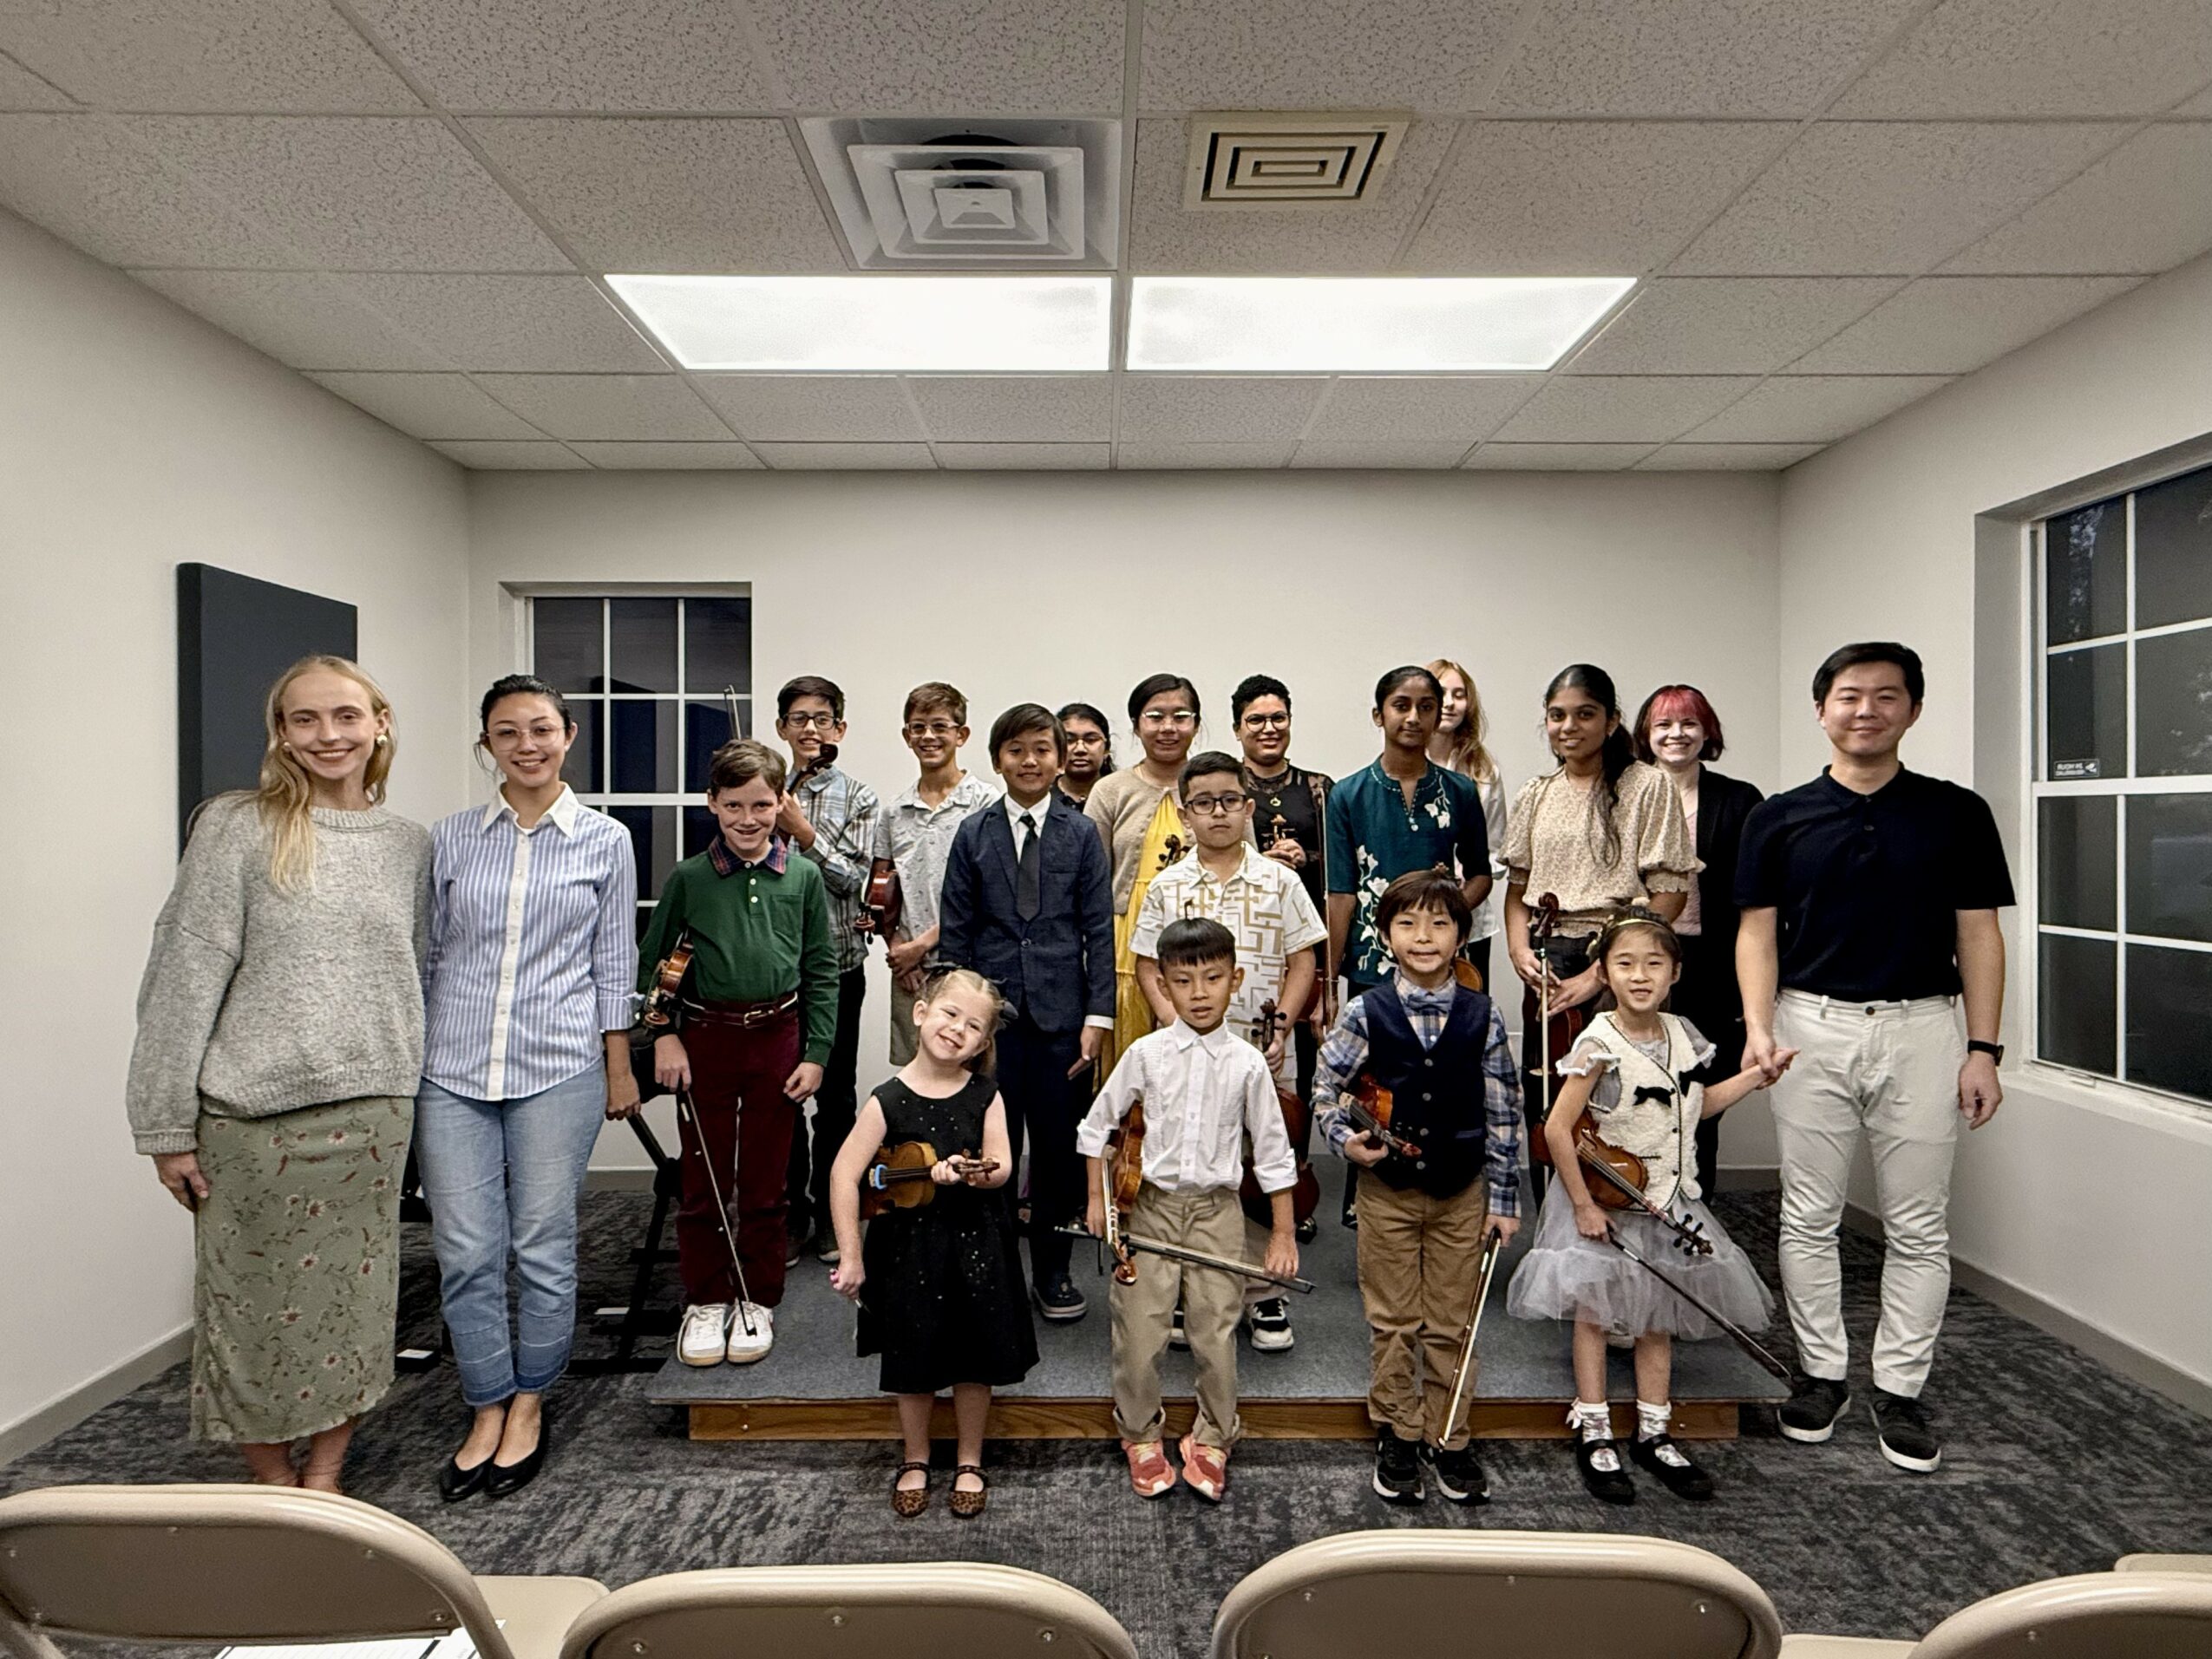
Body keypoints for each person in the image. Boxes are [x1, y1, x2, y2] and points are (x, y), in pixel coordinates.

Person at [126, 656, 430, 1492]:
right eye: (305, 719)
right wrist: (163, 1123)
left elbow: (413, 971)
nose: (328, 735)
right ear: (282, 734)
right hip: (253, 1121)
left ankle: (325, 1472)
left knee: (353, 1308)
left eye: (345, 716)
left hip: (371, 1115)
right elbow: (181, 976)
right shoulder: (236, 826)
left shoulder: (407, 845)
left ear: (379, 723)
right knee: (251, 1309)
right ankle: (271, 1477)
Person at [1737, 642, 2012, 1475]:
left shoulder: (1956, 812)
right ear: (1821, 709)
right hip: (1808, 1026)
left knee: (1919, 1224)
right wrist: (1758, 1026)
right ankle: (1822, 1375)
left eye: (1886, 696)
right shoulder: (1778, 817)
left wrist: (1984, 1048)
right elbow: (1756, 933)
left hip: (1924, 1027)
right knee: (1807, 1215)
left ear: (1913, 710)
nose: (1867, 710)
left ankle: (1900, 1388)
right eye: (1850, 696)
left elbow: (1979, 934)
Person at [417, 675, 638, 1501]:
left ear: (568, 735)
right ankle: (485, 1401)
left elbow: (614, 960)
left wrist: (619, 1065)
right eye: (507, 732)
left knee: (542, 1243)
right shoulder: (448, 839)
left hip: (559, 1064)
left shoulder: (605, 839)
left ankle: (530, 1401)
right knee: (466, 1250)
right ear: (487, 745)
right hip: (452, 1068)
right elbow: (428, 955)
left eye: (541, 728)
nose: (526, 745)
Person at [1508, 909, 1788, 1506]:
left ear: (1675, 973)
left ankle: (1654, 1429)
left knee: (1657, 1315)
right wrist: (1582, 1205)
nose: (1640, 976)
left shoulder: (1684, 1034)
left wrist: (1754, 1079)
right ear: (1605, 973)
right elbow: (1557, 1129)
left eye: (1654, 964)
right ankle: (1594, 1425)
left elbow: (1699, 1106)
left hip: (1667, 1196)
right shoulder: (1598, 1041)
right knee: (1594, 1313)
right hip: (1607, 1199)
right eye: (1626, 964)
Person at [1314, 870, 1522, 1508]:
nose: (1424, 936)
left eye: (1439, 923)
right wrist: (1345, 1140)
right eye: (1407, 923)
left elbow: (1504, 1111)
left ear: (1461, 936)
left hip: (1463, 1190)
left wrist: (1504, 1200)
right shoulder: (1365, 1011)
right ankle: (1399, 1431)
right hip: (1388, 1192)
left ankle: (1449, 1434)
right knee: (1394, 1318)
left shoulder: (1484, 1015)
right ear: (1385, 936)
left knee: (1453, 1320)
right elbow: (1326, 1090)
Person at [1078, 918, 1299, 1504]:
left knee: (1215, 1330)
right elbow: (1095, 1129)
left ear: (1236, 979)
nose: (1199, 993)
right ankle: (1139, 1433)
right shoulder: (1145, 1054)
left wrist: (1282, 1233)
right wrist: (1098, 1199)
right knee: (1140, 1330)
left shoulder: (1248, 1063)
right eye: (1183, 980)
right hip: (1149, 1206)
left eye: (1213, 978)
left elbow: (1274, 1153)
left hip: (1217, 1210)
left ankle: (1214, 1436)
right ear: (1163, 985)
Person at [643, 739, 834, 1368]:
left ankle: (757, 1296)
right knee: (703, 1182)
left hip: (778, 1038)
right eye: (733, 806)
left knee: (766, 1182)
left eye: (761, 805)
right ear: (712, 804)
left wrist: (816, 1052)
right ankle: (705, 1298)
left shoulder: (803, 876)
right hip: (706, 1040)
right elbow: (653, 966)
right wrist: (663, 1034)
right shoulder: (689, 878)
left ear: (782, 803)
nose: (748, 819)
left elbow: (821, 969)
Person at [1131, 750, 1325, 1355]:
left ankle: (1266, 1293)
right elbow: (1147, 966)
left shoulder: (1281, 880)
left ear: (1248, 806)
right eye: (1203, 803)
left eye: (1229, 800)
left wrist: (1282, 1026)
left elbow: (1303, 961)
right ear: (1185, 812)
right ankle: (1192, 1288)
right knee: (1192, 1171)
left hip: (1263, 1049)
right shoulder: (1168, 885)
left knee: (1264, 1169)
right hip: (1185, 1058)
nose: (1218, 812)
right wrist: (1176, 1031)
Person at [828, 969, 1036, 1519]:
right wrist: (851, 1254)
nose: (957, 1029)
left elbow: (1002, 1165)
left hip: (975, 1247)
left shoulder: (986, 1095)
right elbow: (844, 1174)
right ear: (920, 1014)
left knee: (974, 1359)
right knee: (912, 1357)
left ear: (983, 1043)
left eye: (973, 1026)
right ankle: (915, 1457)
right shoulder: (887, 1099)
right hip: (907, 1252)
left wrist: (971, 1174)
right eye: (949, 1014)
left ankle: (970, 1459)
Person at [939, 704, 1116, 1323]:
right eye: (1016, 750)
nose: (1030, 761)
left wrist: (1098, 1018)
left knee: (1060, 1152)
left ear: (1060, 758)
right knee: (990, 1151)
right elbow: (956, 935)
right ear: (997, 760)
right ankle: (992, 1274)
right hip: (992, 1027)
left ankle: (1054, 1271)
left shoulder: (1081, 833)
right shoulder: (972, 833)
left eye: (1042, 749)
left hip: (1064, 1023)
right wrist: (959, 1025)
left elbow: (1099, 930)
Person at [1502, 665, 1698, 1209]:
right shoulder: (1536, 793)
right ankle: (1557, 1226)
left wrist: (1600, 973)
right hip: (1549, 956)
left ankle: (1629, 1214)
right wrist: (1518, 949)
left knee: (1622, 1098)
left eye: (1585, 714)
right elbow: (1517, 889)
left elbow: (1669, 892)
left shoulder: (1648, 785)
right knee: (1549, 1095)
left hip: (1622, 958)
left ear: (1611, 721)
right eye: (1557, 716)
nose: (1569, 727)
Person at [1325, 666, 1492, 1225]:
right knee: (1371, 1082)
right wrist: (1329, 979)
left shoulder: (1461, 791)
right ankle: (1366, 1192)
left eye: (1426, 706)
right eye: (1401, 705)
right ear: (1379, 715)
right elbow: (1341, 890)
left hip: (1439, 963)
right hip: (1371, 961)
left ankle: (1445, 1191)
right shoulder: (1347, 793)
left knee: (1440, 1078)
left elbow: (1482, 873)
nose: (1414, 717)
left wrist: (1448, 917)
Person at [1633, 683, 1764, 1201]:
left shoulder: (1740, 800)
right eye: (1663, 724)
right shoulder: (1625, 793)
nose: (1676, 734)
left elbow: (1757, 899)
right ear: (1646, 734)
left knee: (1700, 1098)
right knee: (1636, 1094)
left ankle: (1695, 1207)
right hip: (1639, 963)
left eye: (1689, 723)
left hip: (1712, 967)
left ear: (1707, 732)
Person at [772, 676, 880, 1267]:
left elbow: (856, 881)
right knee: (782, 1096)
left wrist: (803, 833)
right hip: (775, 971)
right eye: (798, 718)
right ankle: (789, 1215)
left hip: (838, 966)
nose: (810, 729)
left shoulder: (860, 796)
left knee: (836, 1096)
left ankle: (832, 1213)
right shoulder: (765, 787)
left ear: (839, 728)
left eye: (821, 719)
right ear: (781, 728)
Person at [1231, 673, 1333, 1186]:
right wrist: (1261, 860)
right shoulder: (1227, 787)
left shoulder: (1319, 788)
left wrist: (1304, 859)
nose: (1268, 728)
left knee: (1302, 1066)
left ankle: (1296, 1177)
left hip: (1302, 945)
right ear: (1237, 728)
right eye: (1256, 720)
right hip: (1243, 944)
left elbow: (1339, 874)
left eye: (1278, 718)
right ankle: (1237, 1177)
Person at [873, 683, 995, 1072]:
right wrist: (899, 952)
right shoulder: (894, 812)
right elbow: (881, 890)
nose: (928, 736)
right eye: (918, 727)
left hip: (971, 966)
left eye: (940, 726)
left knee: (971, 1076)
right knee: (917, 1077)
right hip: (910, 973)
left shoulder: (986, 804)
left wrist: (920, 947)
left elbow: (989, 893)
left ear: (962, 734)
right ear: (906, 735)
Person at [1085, 674, 1201, 1065]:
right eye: (1155, 716)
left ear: (1196, 724)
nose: (1168, 727)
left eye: (1180, 716)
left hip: (1203, 940)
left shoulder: (1216, 783)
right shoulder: (1110, 790)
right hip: (1127, 941)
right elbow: (1091, 884)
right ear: (1136, 725)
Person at [1427, 657, 1509, 995]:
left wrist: (1466, 884)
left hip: (1471, 918)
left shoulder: (1484, 771)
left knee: (1470, 1009)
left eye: (1459, 694)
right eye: (1441, 693)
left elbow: (1497, 847)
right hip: (1417, 913)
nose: (1449, 703)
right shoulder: (1404, 766)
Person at [1055, 701, 1116, 808]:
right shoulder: (1042, 798)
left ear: (1106, 748)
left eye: (1091, 740)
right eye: (1069, 740)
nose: (1080, 749)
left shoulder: (1122, 796)